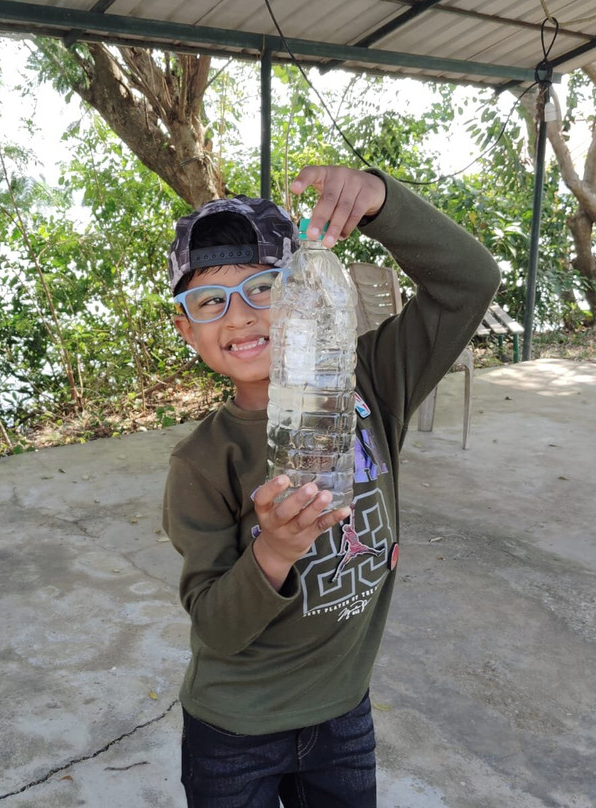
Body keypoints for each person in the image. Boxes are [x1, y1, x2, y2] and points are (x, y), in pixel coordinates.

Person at [163, 165, 500, 807]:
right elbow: (216, 626)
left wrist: (381, 203)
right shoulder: (201, 462)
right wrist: (274, 552)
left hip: (343, 713)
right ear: (187, 328)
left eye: (264, 287)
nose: (238, 315)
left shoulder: (370, 379)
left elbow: (470, 283)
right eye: (209, 301)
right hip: (236, 729)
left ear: (303, 291)